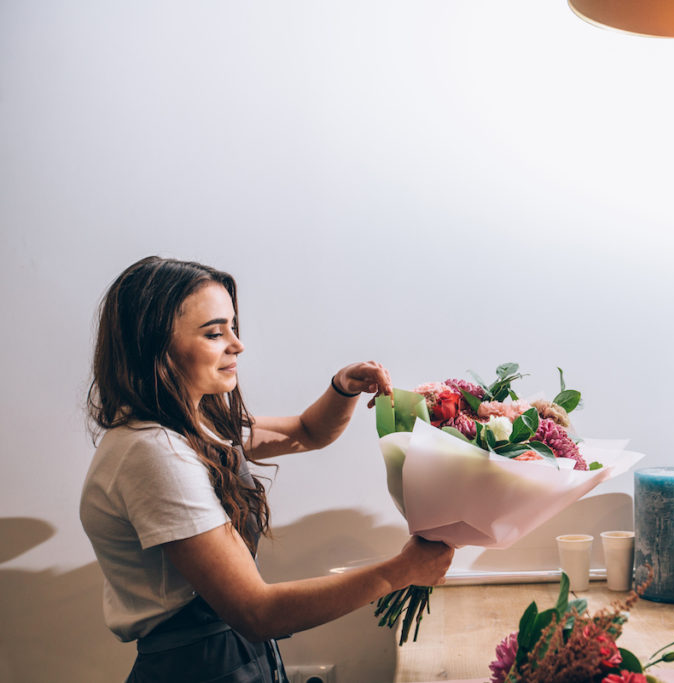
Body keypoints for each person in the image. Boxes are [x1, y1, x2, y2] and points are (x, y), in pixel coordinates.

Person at [80, 256, 454, 683]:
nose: (237, 345)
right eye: (215, 333)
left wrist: (343, 387)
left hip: (232, 658)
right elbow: (257, 612)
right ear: (154, 346)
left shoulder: (193, 425)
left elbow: (308, 432)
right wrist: (400, 571)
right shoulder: (153, 453)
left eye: (233, 328)